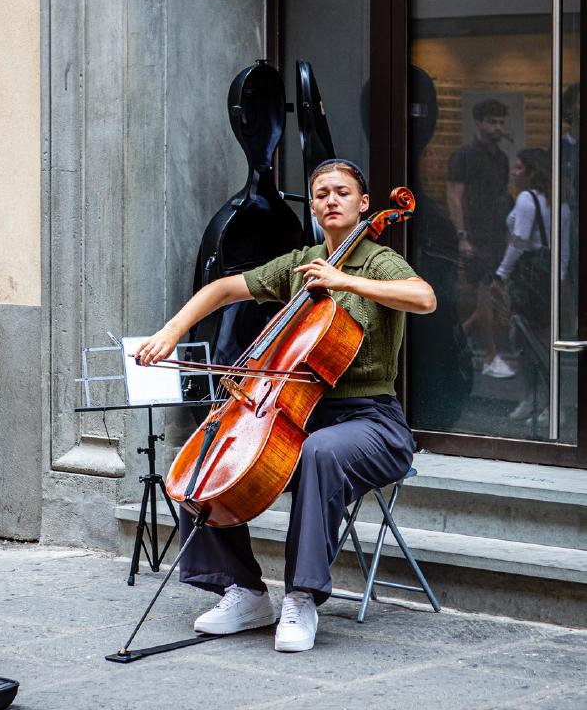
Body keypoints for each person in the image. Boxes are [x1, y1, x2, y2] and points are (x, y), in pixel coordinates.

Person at [136, 160, 437, 653]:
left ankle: (301, 596)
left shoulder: (378, 261)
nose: (331, 200)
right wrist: (171, 331)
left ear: (364, 204)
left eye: (343, 192)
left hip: (371, 420)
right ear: (313, 207)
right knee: (204, 461)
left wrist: (346, 282)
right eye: (321, 194)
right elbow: (223, 288)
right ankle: (244, 591)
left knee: (321, 452)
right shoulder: (303, 263)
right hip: (298, 415)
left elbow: (423, 298)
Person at [493, 148, 571, 428]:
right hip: (547, 276)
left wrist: (502, 273)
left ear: (530, 171)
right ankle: (542, 401)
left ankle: (539, 400)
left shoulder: (527, 199)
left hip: (527, 276)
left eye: (518, 167)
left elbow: (519, 241)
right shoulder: (560, 203)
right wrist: (558, 279)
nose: (514, 172)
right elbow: (563, 250)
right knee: (541, 339)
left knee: (525, 338)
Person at [446, 98, 514, 378]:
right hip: (475, 236)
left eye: (501, 122)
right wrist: (462, 236)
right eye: (492, 122)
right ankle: (490, 355)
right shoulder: (464, 156)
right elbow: (454, 197)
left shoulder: (502, 159)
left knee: (491, 296)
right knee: (485, 292)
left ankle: (452, 343)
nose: (498, 127)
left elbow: (501, 197)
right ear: (478, 123)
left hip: (496, 235)